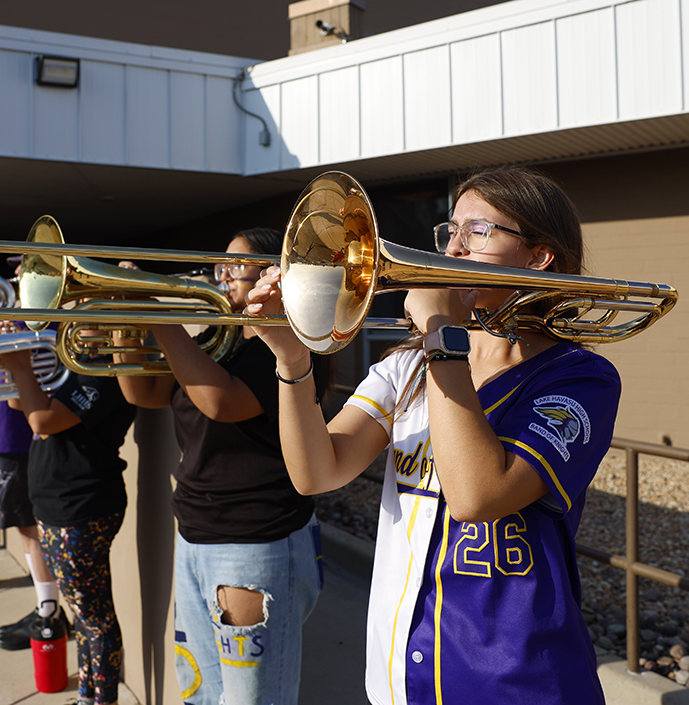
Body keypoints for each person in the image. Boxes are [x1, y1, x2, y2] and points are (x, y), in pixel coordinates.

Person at [245, 166, 619, 704]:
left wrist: (443, 339)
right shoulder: (408, 366)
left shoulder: (579, 378)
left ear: (539, 256)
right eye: (451, 231)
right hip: (400, 676)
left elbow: (479, 495)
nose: (454, 249)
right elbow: (317, 471)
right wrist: (291, 358)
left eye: (480, 231)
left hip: (516, 683)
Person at [113, 228, 327, 705]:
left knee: (252, 699)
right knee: (200, 694)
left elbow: (221, 402)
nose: (224, 275)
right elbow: (143, 394)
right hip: (194, 533)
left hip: (253, 541)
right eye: (221, 266)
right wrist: (126, 321)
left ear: (274, 272)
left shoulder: (292, 345)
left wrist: (156, 311)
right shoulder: (215, 337)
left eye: (236, 266)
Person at [0, 325, 136, 705]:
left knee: (95, 618)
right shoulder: (77, 362)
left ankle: (100, 699)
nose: (75, 323)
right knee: (85, 616)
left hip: (81, 507)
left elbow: (43, 420)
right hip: (61, 506)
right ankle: (88, 696)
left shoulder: (106, 370)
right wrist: (14, 361)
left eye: (88, 314)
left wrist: (22, 366)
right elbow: (18, 404)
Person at [0, 318, 62, 651]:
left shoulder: (40, 316)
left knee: (29, 527)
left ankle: (49, 613)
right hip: (9, 429)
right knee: (25, 529)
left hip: (19, 431)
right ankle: (45, 606)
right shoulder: (10, 312)